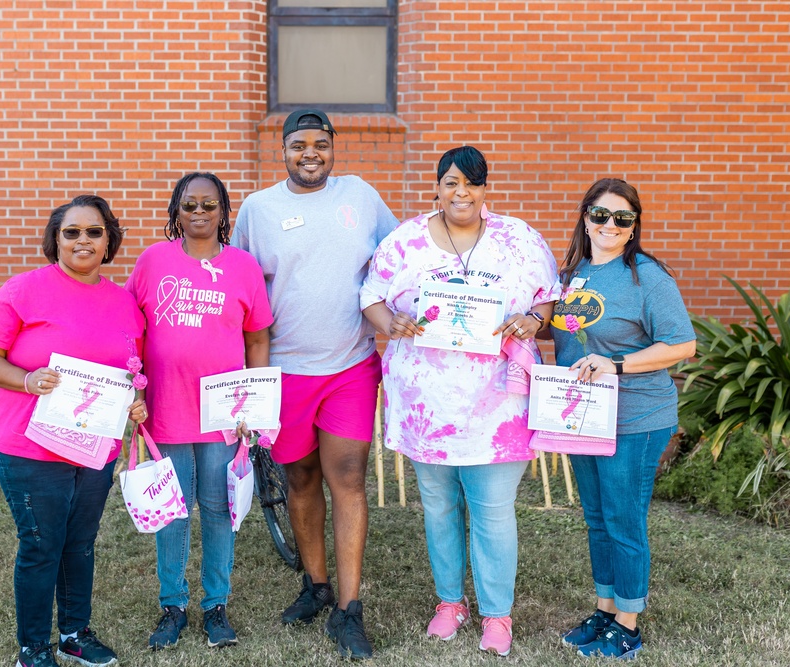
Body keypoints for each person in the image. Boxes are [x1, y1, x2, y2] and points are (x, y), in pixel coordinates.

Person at [359, 145, 559, 657]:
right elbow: (371, 295)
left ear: (484, 188)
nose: (460, 192)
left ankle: (497, 614)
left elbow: (548, 293)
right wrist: (389, 323)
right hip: (427, 405)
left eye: (470, 183)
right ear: (438, 187)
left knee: (492, 511)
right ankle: (450, 602)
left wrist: (535, 319)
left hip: (497, 404)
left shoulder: (518, 239)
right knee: (439, 507)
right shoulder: (405, 242)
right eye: (450, 182)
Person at [232, 109, 399, 660]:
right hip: (284, 371)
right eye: (299, 144)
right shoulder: (259, 209)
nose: (311, 154)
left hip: (350, 365)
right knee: (300, 479)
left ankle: (349, 610)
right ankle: (316, 585)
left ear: (333, 148)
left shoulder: (361, 196)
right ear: (283, 150)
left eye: (321, 144)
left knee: (347, 478)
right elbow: (241, 286)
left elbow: (401, 259)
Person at [0, 194, 147, 667]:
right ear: (56, 240)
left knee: (81, 543)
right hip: (31, 447)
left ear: (109, 240)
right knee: (42, 545)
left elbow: (131, 369)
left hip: (95, 446)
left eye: (94, 232)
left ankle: (74, 634)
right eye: (72, 232)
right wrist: (26, 380)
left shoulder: (125, 302)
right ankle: (33, 647)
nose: (83, 240)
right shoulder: (24, 290)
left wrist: (136, 400)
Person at [125, 172, 272, 651]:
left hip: (222, 416)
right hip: (165, 410)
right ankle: (172, 605)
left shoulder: (244, 267)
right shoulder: (153, 261)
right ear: (176, 211)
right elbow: (132, 330)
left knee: (217, 506)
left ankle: (215, 605)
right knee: (173, 510)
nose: (200, 212)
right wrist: (134, 388)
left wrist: (257, 401)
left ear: (224, 211)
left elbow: (257, 337)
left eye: (210, 204)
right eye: (190, 205)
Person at [551, 178, 695, 659]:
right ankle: (605, 610)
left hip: (635, 416)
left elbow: (681, 344)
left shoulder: (647, 276)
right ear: (585, 217)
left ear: (634, 226)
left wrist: (616, 365)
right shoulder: (575, 273)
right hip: (582, 416)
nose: (609, 225)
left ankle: (628, 624)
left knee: (623, 518)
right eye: (600, 214)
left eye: (622, 218)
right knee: (596, 519)